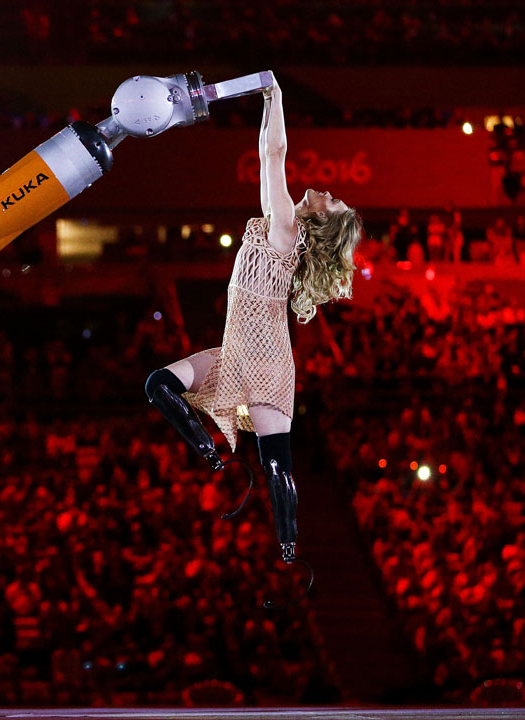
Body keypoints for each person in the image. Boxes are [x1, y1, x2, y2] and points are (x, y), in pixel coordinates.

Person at [143, 75, 362, 564]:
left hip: (265, 363)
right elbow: (269, 155)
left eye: (334, 201)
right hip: (236, 353)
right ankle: (211, 456)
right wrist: (269, 100)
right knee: (158, 384)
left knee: (276, 466)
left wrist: (276, 95)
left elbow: (273, 155)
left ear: (321, 221)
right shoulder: (278, 224)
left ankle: (288, 544)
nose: (329, 192)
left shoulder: (287, 229)